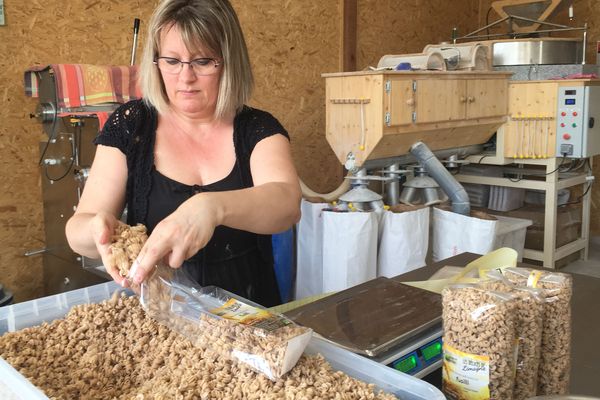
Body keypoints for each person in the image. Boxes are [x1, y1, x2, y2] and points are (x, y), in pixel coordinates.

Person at [65, 0, 301, 307]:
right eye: (172, 61)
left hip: (248, 318)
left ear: (229, 62)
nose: (185, 77)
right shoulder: (131, 125)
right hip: (164, 318)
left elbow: (287, 203)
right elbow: (77, 229)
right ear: (156, 62)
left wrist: (212, 207)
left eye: (202, 61)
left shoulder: (257, 128)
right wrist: (98, 231)